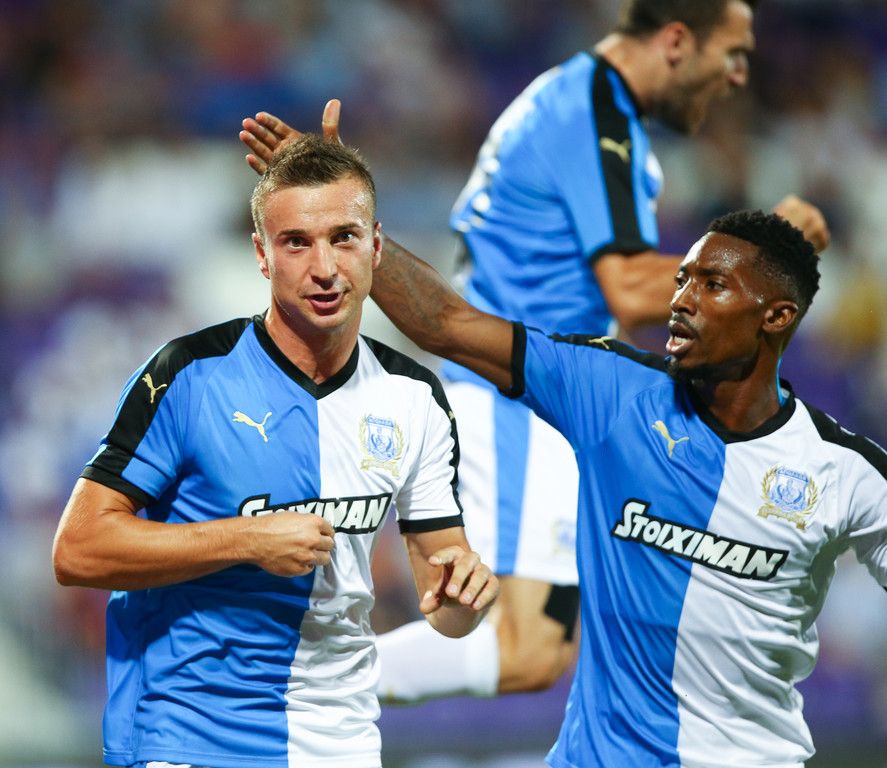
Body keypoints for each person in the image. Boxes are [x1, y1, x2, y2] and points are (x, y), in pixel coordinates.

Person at [238, 0, 830, 706]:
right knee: (524, 648)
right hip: (515, 394)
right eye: (731, 53)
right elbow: (629, 286)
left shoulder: (583, 105)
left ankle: (277, 689)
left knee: (539, 651)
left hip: (532, 390)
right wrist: (764, 256)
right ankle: (268, 690)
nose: (737, 76)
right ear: (676, 41)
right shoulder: (591, 112)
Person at [366, 209, 887, 766]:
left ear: (776, 316)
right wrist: (351, 234)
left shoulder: (846, 470)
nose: (681, 300)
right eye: (682, 280)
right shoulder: (610, 390)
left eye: (712, 285)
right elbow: (446, 323)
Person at [51, 133, 498, 768]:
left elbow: (443, 598)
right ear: (262, 254)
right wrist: (247, 539)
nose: (325, 267)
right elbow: (78, 549)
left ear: (376, 246)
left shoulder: (416, 396)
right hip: (188, 733)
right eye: (296, 243)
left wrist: (465, 598)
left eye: (344, 237)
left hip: (340, 739)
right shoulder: (189, 375)